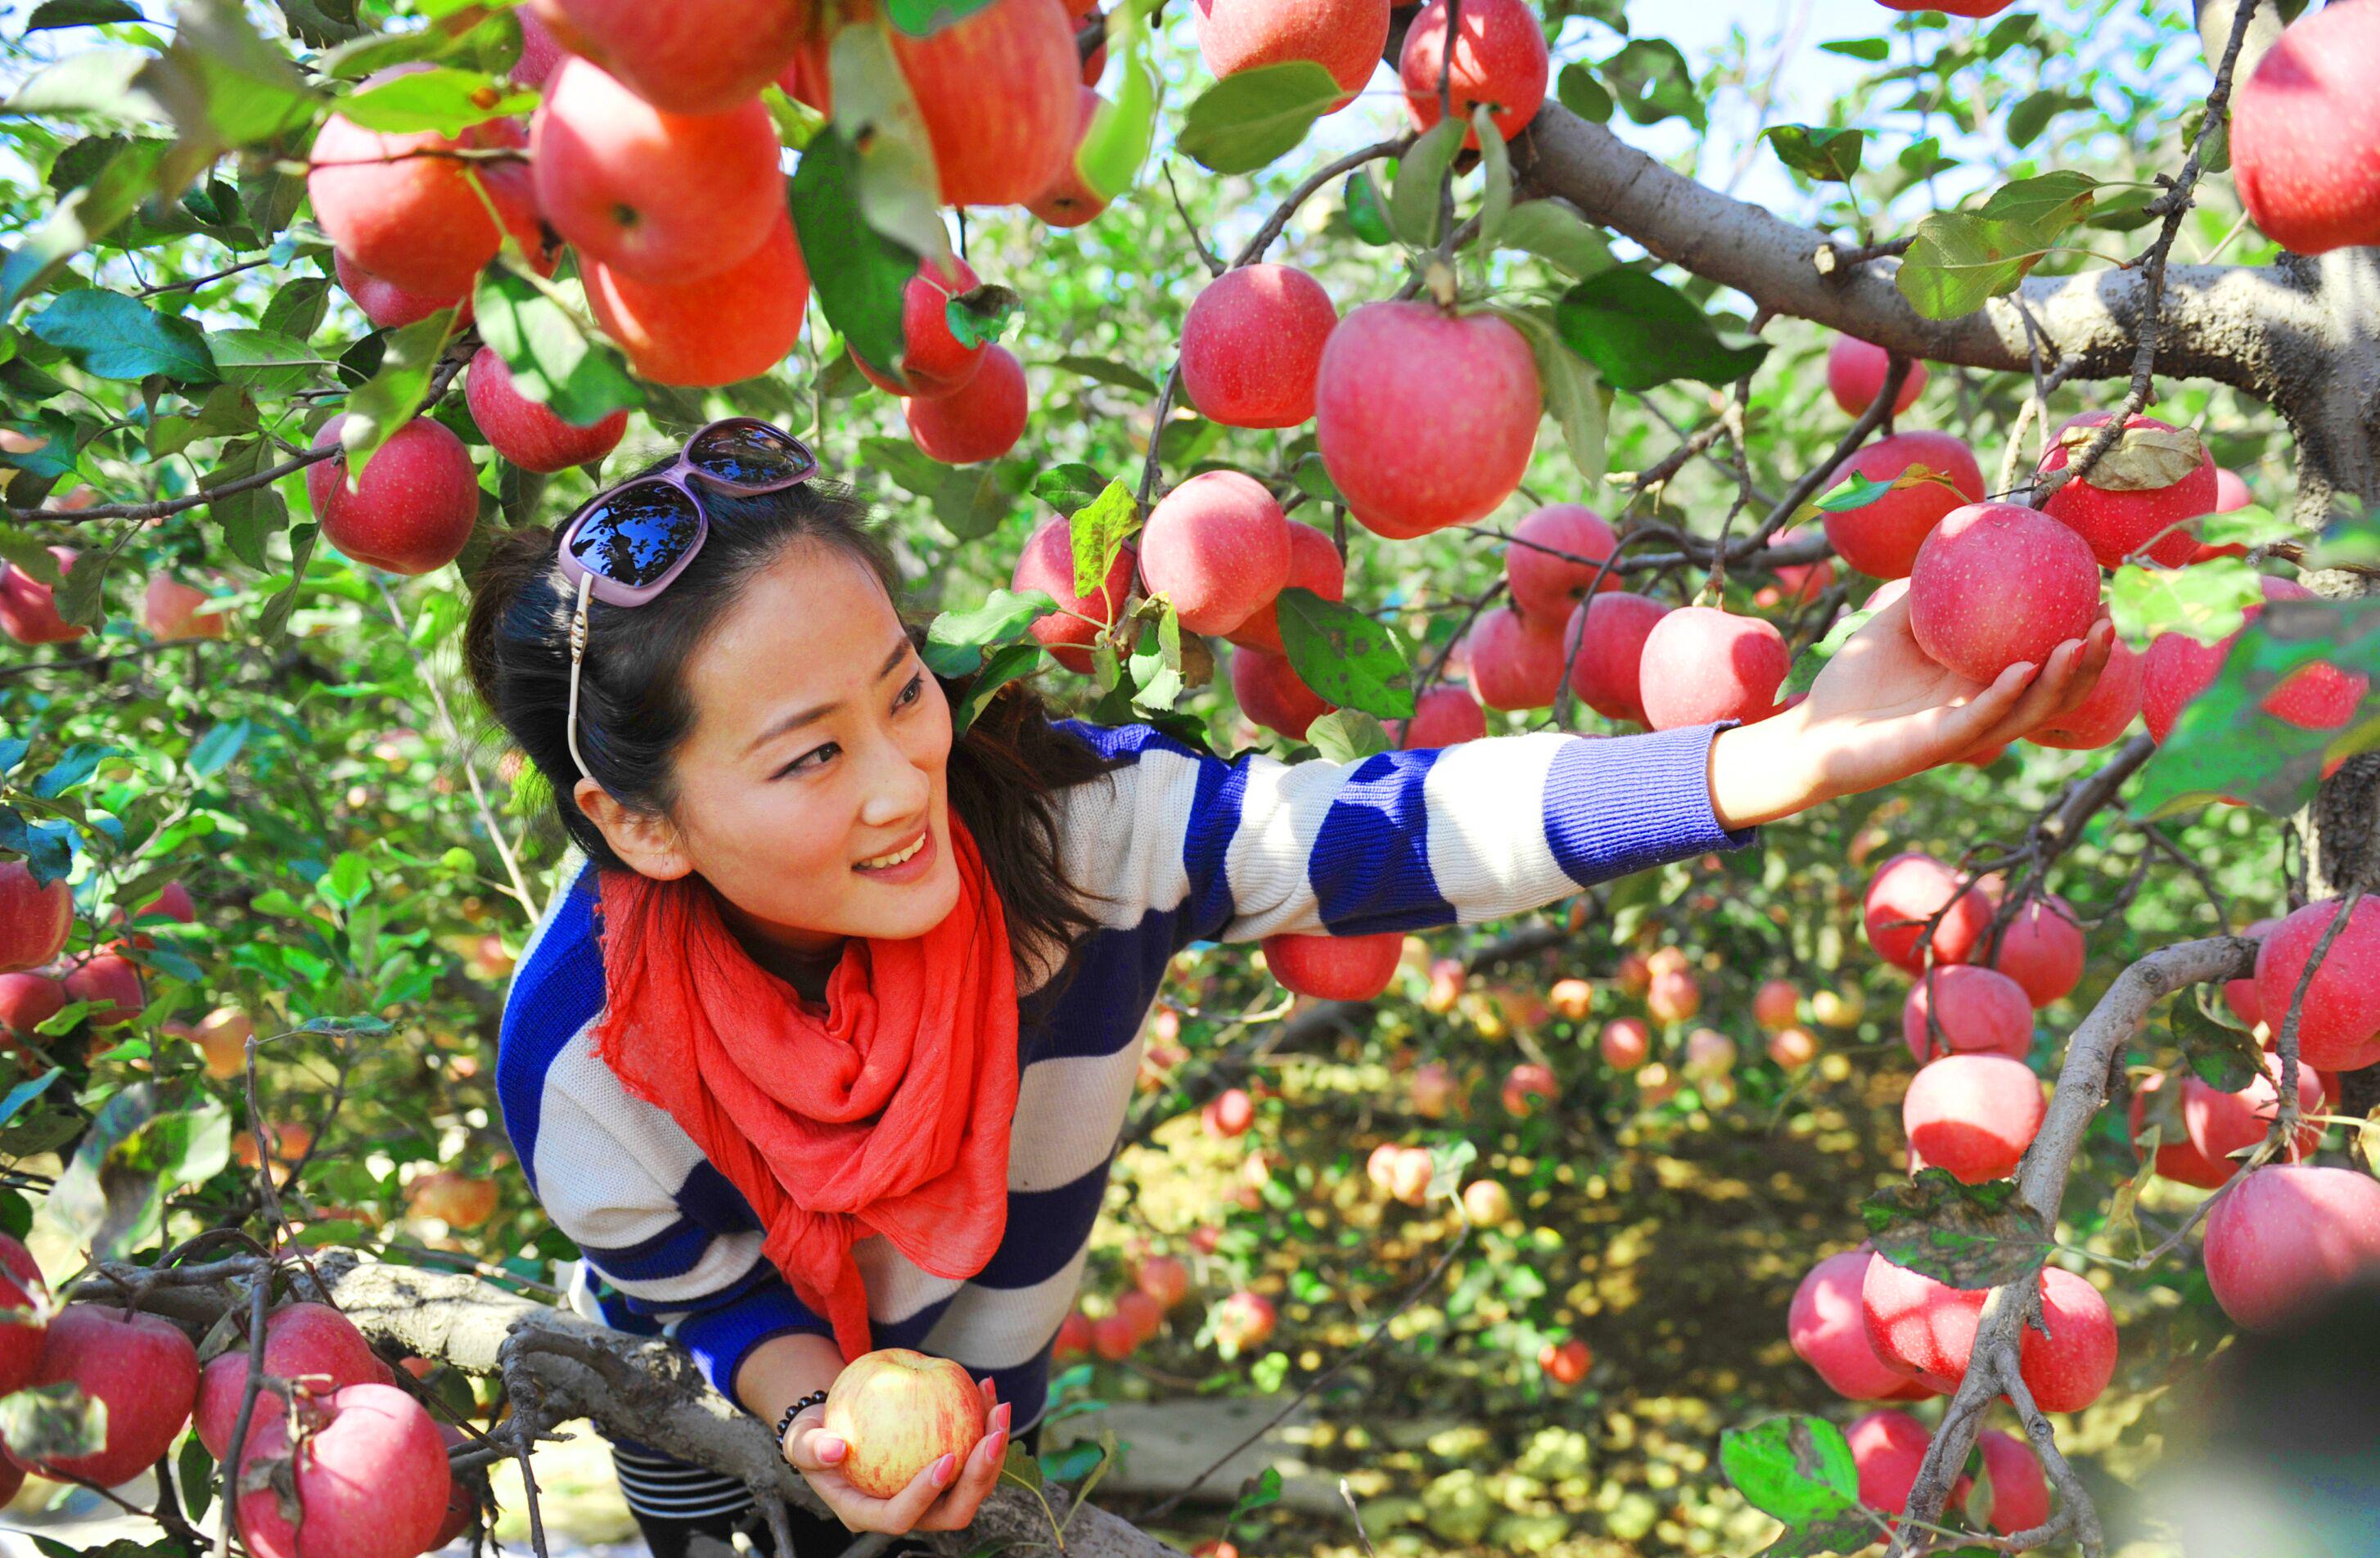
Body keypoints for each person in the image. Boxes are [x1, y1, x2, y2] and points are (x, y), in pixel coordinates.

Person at [466, 419, 2111, 1556]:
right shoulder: (583, 1050)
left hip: (987, 1407)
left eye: (902, 694)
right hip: (718, 1426)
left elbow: (1387, 831)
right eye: (809, 755)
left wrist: (1764, 762)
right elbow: (713, 1300)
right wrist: (816, 1424)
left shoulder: (1065, 830)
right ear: (640, 819)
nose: (901, 780)